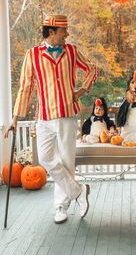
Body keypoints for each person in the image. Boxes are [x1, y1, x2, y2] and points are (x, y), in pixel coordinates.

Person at [4, 14, 98, 224]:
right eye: (64, 31)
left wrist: (82, 90)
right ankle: (79, 191)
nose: (67, 34)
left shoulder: (72, 51)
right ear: (51, 32)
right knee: (46, 158)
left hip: (67, 115)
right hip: (44, 117)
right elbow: (25, 88)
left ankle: (61, 207)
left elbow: (92, 68)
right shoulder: (33, 55)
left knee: (66, 161)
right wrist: (15, 118)